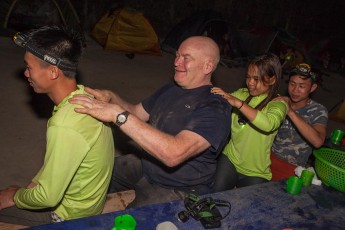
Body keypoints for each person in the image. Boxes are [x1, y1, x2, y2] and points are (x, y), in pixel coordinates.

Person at [69, 36, 232, 208]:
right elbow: (136, 114)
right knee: (89, 173)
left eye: (186, 58)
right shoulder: (171, 89)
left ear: (208, 66)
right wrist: (111, 97)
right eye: (177, 55)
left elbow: (174, 154)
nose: (176, 62)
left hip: (181, 187)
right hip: (148, 165)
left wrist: (118, 115)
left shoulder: (215, 107)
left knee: (127, 223)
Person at [0, 26, 115, 226]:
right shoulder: (85, 96)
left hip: (71, 215)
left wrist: (16, 196)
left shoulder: (64, 125)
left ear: (53, 72)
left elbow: (48, 198)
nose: (26, 73)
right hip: (89, 202)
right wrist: (35, 181)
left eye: (29, 67)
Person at [211, 53, 287, 191]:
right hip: (230, 160)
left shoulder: (278, 104)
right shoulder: (242, 94)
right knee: (212, 197)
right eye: (248, 77)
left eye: (256, 79)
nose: (250, 82)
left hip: (256, 172)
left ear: (272, 80)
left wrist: (238, 103)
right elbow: (217, 103)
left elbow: (269, 124)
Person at [271, 63, 328, 180]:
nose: (295, 90)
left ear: (312, 88)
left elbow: (318, 142)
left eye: (301, 86)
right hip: (267, 159)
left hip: (293, 168)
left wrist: (290, 112)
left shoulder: (318, 110)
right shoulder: (280, 102)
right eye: (292, 84)